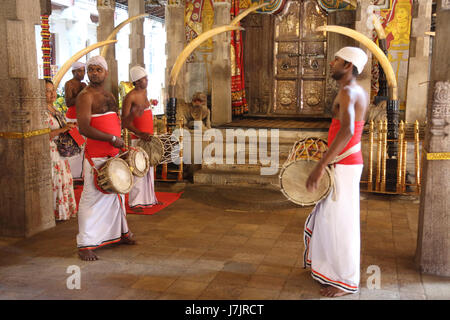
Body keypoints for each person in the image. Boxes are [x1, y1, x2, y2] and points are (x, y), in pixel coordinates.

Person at [303, 47, 369, 297]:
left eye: (337, 60)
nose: (331, 63)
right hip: (342, 161)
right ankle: (329, 271)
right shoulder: (350, 91)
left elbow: (348, 131)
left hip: (345, 164)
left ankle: (345, 281)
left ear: (349, 66)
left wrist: (320, 166)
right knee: (329, 219)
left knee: (341, 223)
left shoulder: (350, 91)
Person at [75, 56, 136, 261]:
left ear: (106, 73)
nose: (94, 73)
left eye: (98, 70)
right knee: (90, 198)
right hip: (96, 155)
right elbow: (84, 127)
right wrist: (111, 138)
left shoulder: (110, 95)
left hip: (113, 153)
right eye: (91, 70)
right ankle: (85, 244)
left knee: (116, 196)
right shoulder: (85, 96)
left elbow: (114, 120)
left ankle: (120, 233)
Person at [121, 66, 159, 212]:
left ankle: (149, 198)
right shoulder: (129, 97)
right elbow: (124, 121)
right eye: (144, 79)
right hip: (138, 138)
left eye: (147, 78)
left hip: (148, 138)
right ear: (136, 81)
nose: (146, 81)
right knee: (138, 168)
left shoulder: (145, 92)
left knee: (149, 169)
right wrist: (139, 133)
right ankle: (135, 201)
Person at [44, 80, 78, 221]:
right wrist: (62, 129)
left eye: (53, 90)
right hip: (51, 150)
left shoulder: (55, 109)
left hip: (60, 151)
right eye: (48, 90)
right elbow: (44, 135)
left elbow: (60, 128)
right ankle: (54, 212)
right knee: (56, 180)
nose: (52, 93)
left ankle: (64, 211)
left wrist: (68, 126)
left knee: (65, 179)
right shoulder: (41, 112)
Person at [64, 61, 87, 180]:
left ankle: (80, 174)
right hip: (72, 119)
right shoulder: (69, 84)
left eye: (84, 70)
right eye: (79, 71)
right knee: (74, 146)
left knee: (82, 147)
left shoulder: (84, 84)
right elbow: (68, 102)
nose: (82, 73)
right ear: (73, 72)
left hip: (82, 118)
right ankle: (72, 174)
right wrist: (82, 93)